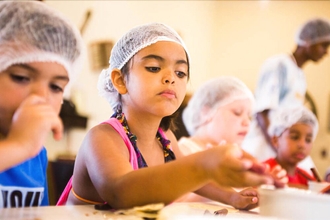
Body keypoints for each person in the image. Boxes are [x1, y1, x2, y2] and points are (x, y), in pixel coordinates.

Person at [57, 22, 285, 209]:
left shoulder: (164, 138)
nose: (171, 78)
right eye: (154, 68)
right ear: (120, 80)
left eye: (180, 72)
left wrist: (232, 197)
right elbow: (121, 193)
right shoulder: (103, 137)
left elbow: (196, 181)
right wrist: (204, 163)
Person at [0, 1, 84, 208]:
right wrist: (20, 146)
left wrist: (27, 147)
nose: (40, 96)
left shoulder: (36, 153)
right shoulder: (27, 146)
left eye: (55, 87)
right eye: (20, 77)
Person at [176, 76, 286, 210]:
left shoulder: (238, 158)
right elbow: (176, 202)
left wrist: (265, 183)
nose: (247, 122)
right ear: (206, 112)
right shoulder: (184, 150)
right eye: (237, 113)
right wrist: (214, 176)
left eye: (249, 116)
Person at [242, 18, 330, 174]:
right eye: (324, 45)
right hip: (266, 143)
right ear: (308, 40)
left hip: (286, 144)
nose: (326, 52)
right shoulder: (279, 65)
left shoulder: (300, 74)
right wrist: (277, 147)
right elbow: (263, 111)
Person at [263, 106, 318, 189]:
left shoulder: (307, 179)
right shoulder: (264, 171)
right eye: (294, 137)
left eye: (308, 140)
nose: (302, 145)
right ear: (275, 140)